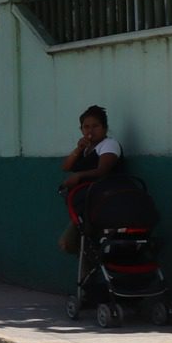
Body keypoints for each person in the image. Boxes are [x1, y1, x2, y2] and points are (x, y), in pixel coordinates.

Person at [58, 104, 123, 254]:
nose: (90, 131)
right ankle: (92, 272)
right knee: (76, 243)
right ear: (81, 130)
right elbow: (66, 166)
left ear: (105, 128)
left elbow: (102, 170)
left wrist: (79, 176)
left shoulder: (109, 145)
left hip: (103, 202)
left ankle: (93, 272)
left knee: (70, 241)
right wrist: (78, 149)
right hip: (86, 205)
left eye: (95, 126)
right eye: (86, 127)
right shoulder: (86, 150)